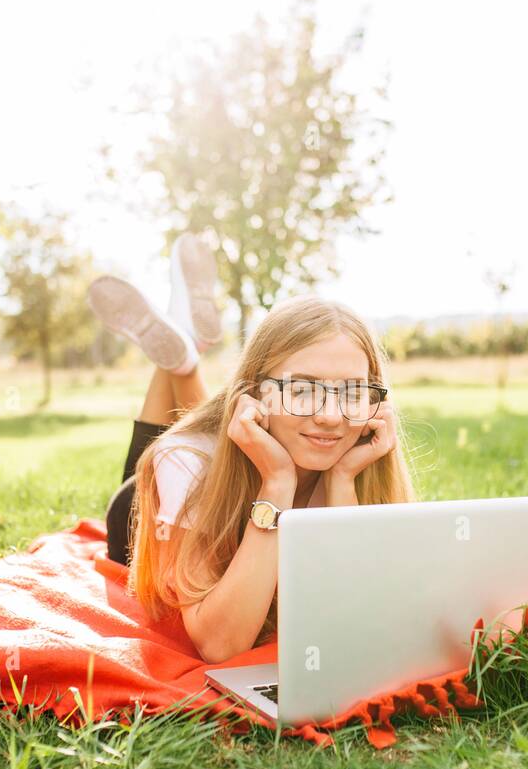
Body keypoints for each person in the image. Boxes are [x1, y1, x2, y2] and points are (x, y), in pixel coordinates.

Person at [89, 233, 415, 664]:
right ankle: (184, 359)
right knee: (177, 445)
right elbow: (221, 644)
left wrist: (341, 482)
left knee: (194, 428)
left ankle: (184, 356)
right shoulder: (185, 461)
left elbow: (346, 607)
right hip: (142, 514)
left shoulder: (359, 452)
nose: (332, 417)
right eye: (302, 389)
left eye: (352, 392)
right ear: (256, 393)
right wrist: (277, 484)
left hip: (216, 451)